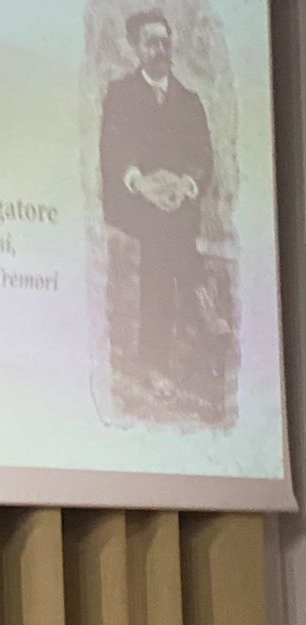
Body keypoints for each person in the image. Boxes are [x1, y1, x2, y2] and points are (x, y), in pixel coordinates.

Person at [100, 9, 213, 386]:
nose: (160, 50)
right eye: (151, 43)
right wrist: (141, 182)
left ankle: (175, 348)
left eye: (165, 42)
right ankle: (161, 356)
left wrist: (186, 184)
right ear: (135, 48)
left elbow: (203, 159)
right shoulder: (120, 94)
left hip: (178, 204)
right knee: (164, 237)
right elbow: (114, 151)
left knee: (170, 230)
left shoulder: (189, 101)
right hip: (134, 201)